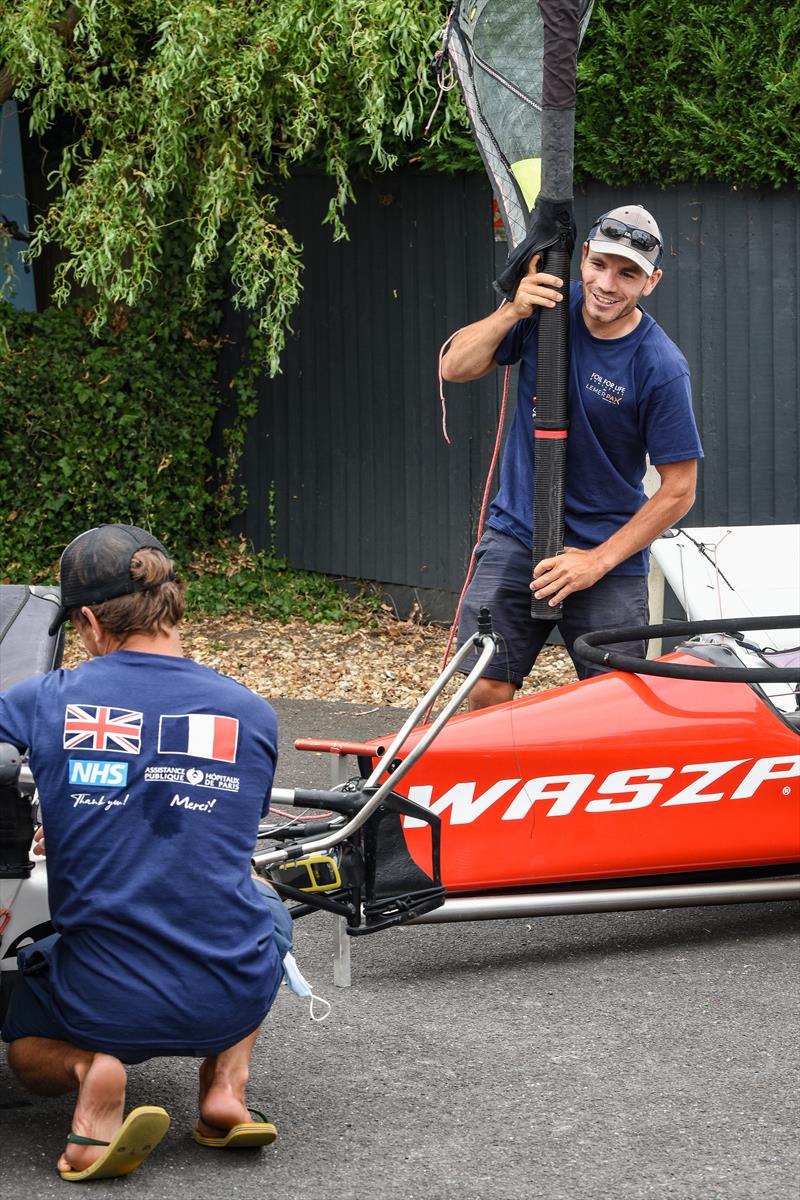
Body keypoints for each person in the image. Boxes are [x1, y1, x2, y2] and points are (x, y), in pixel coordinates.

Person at [0, 523, 291, 1180]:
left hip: (100, 1006)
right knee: (267, 909)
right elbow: (214, 834)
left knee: (22, 1039)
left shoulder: (49, 699)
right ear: (174, 605)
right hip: (228, 993)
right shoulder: (252, 714)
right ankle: (225, 1089)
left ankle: (89, 1070)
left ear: (90, 621)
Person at [442, 203, 704, 709]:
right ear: (582, 257)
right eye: (601, 264)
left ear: (651, 282)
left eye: (629, 273)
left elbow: (679, 489)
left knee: (615, 703)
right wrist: (512, 309)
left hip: (605, 553)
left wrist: (597, 562)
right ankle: (505, 785)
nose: (608, 283)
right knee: (487, 682)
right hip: (518, 531)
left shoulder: (660, 365)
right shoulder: (544, 309)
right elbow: (455, 367)